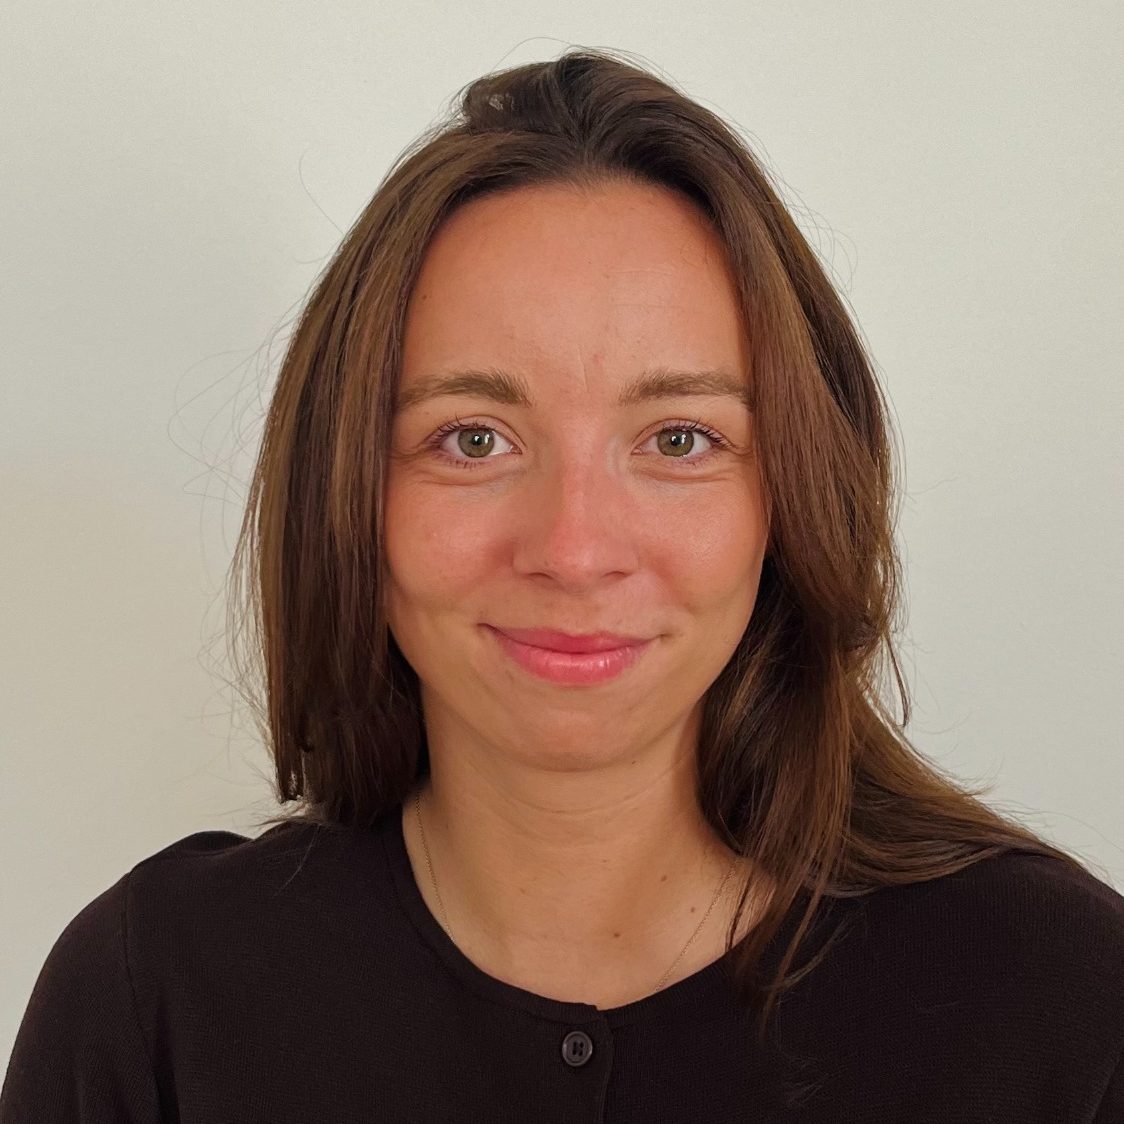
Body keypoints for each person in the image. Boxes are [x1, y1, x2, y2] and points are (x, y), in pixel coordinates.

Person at [3, 47, 1122, 1123]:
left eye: (679, 438)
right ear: (343, 490)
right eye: (472, 439)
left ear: (793, 494)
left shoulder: (1067, 1006)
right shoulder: (154, 999)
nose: (575, 550)